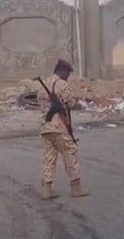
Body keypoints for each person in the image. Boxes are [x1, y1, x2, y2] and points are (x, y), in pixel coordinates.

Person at [38, 59, 89, 200]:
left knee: (49, 158)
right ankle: (76, 187)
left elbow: (41, 104)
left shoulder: (43, 86)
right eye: (67, 73)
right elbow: (71, 103)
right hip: (60, 128)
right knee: (70, 155)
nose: (68, 76)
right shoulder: (62, 85)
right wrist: (78, 104)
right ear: (63, 71)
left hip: (46, 128)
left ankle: (46, 189)